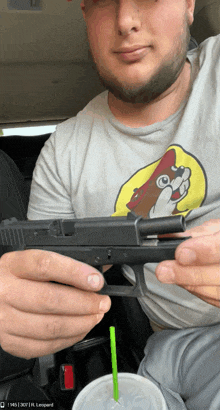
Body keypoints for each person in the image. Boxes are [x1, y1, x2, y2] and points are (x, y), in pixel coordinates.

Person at [0, 1, 219, 403]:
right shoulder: (63, 153)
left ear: (189, 5)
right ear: (85, 14)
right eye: (103, 0)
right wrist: (22, 307)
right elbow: (48, 281)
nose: (125, 21)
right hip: (172, 348)